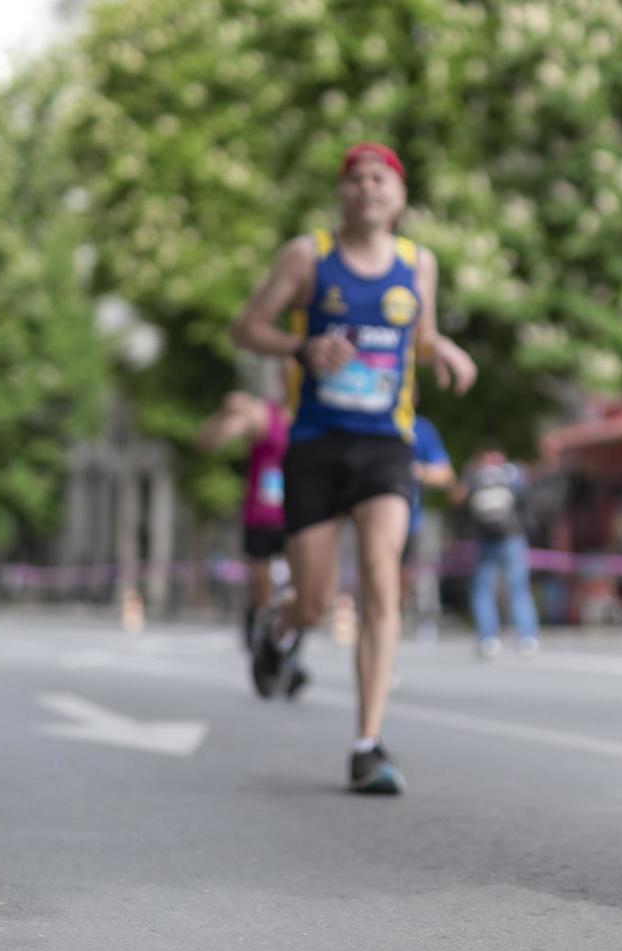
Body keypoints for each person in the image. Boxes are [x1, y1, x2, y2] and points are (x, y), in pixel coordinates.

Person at [231, 142, 476, 794]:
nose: (368, 188)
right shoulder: (307, 257)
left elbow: (417, 336)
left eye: (381, 178)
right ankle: (278, 626)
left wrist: (443, 347)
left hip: (385, 445)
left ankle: (367, 745)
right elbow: (245, 327)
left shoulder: (418, 263)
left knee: (379, 581)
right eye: (356, 179)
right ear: (342, 195)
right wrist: (302, 345)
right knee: (314, 601)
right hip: (315, 442)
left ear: (399, 197)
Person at [196, 390, 290, 656]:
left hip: (303, 513)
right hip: (264, 515)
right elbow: (209, 440)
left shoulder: (323, 413)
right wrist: (224, 415)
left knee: (304, 590)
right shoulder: (261, 414)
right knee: (261, 584)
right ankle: (260, 631)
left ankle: (287, 643)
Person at [455, 445, 539, 660]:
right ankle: (527, 636)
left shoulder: (474, 475)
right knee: (518, 587)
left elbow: (459, 502)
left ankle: (488, 638)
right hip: (513, 535)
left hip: (486, 538)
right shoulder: (512, 473)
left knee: (483, 588)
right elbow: (527, 500)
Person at [403, 414, 454, 640]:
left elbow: (445, 474)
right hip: (370, 521)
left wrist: (417, 471)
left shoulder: (421, 429)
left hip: (413, 521)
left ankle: (424, 617)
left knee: (422, 574)